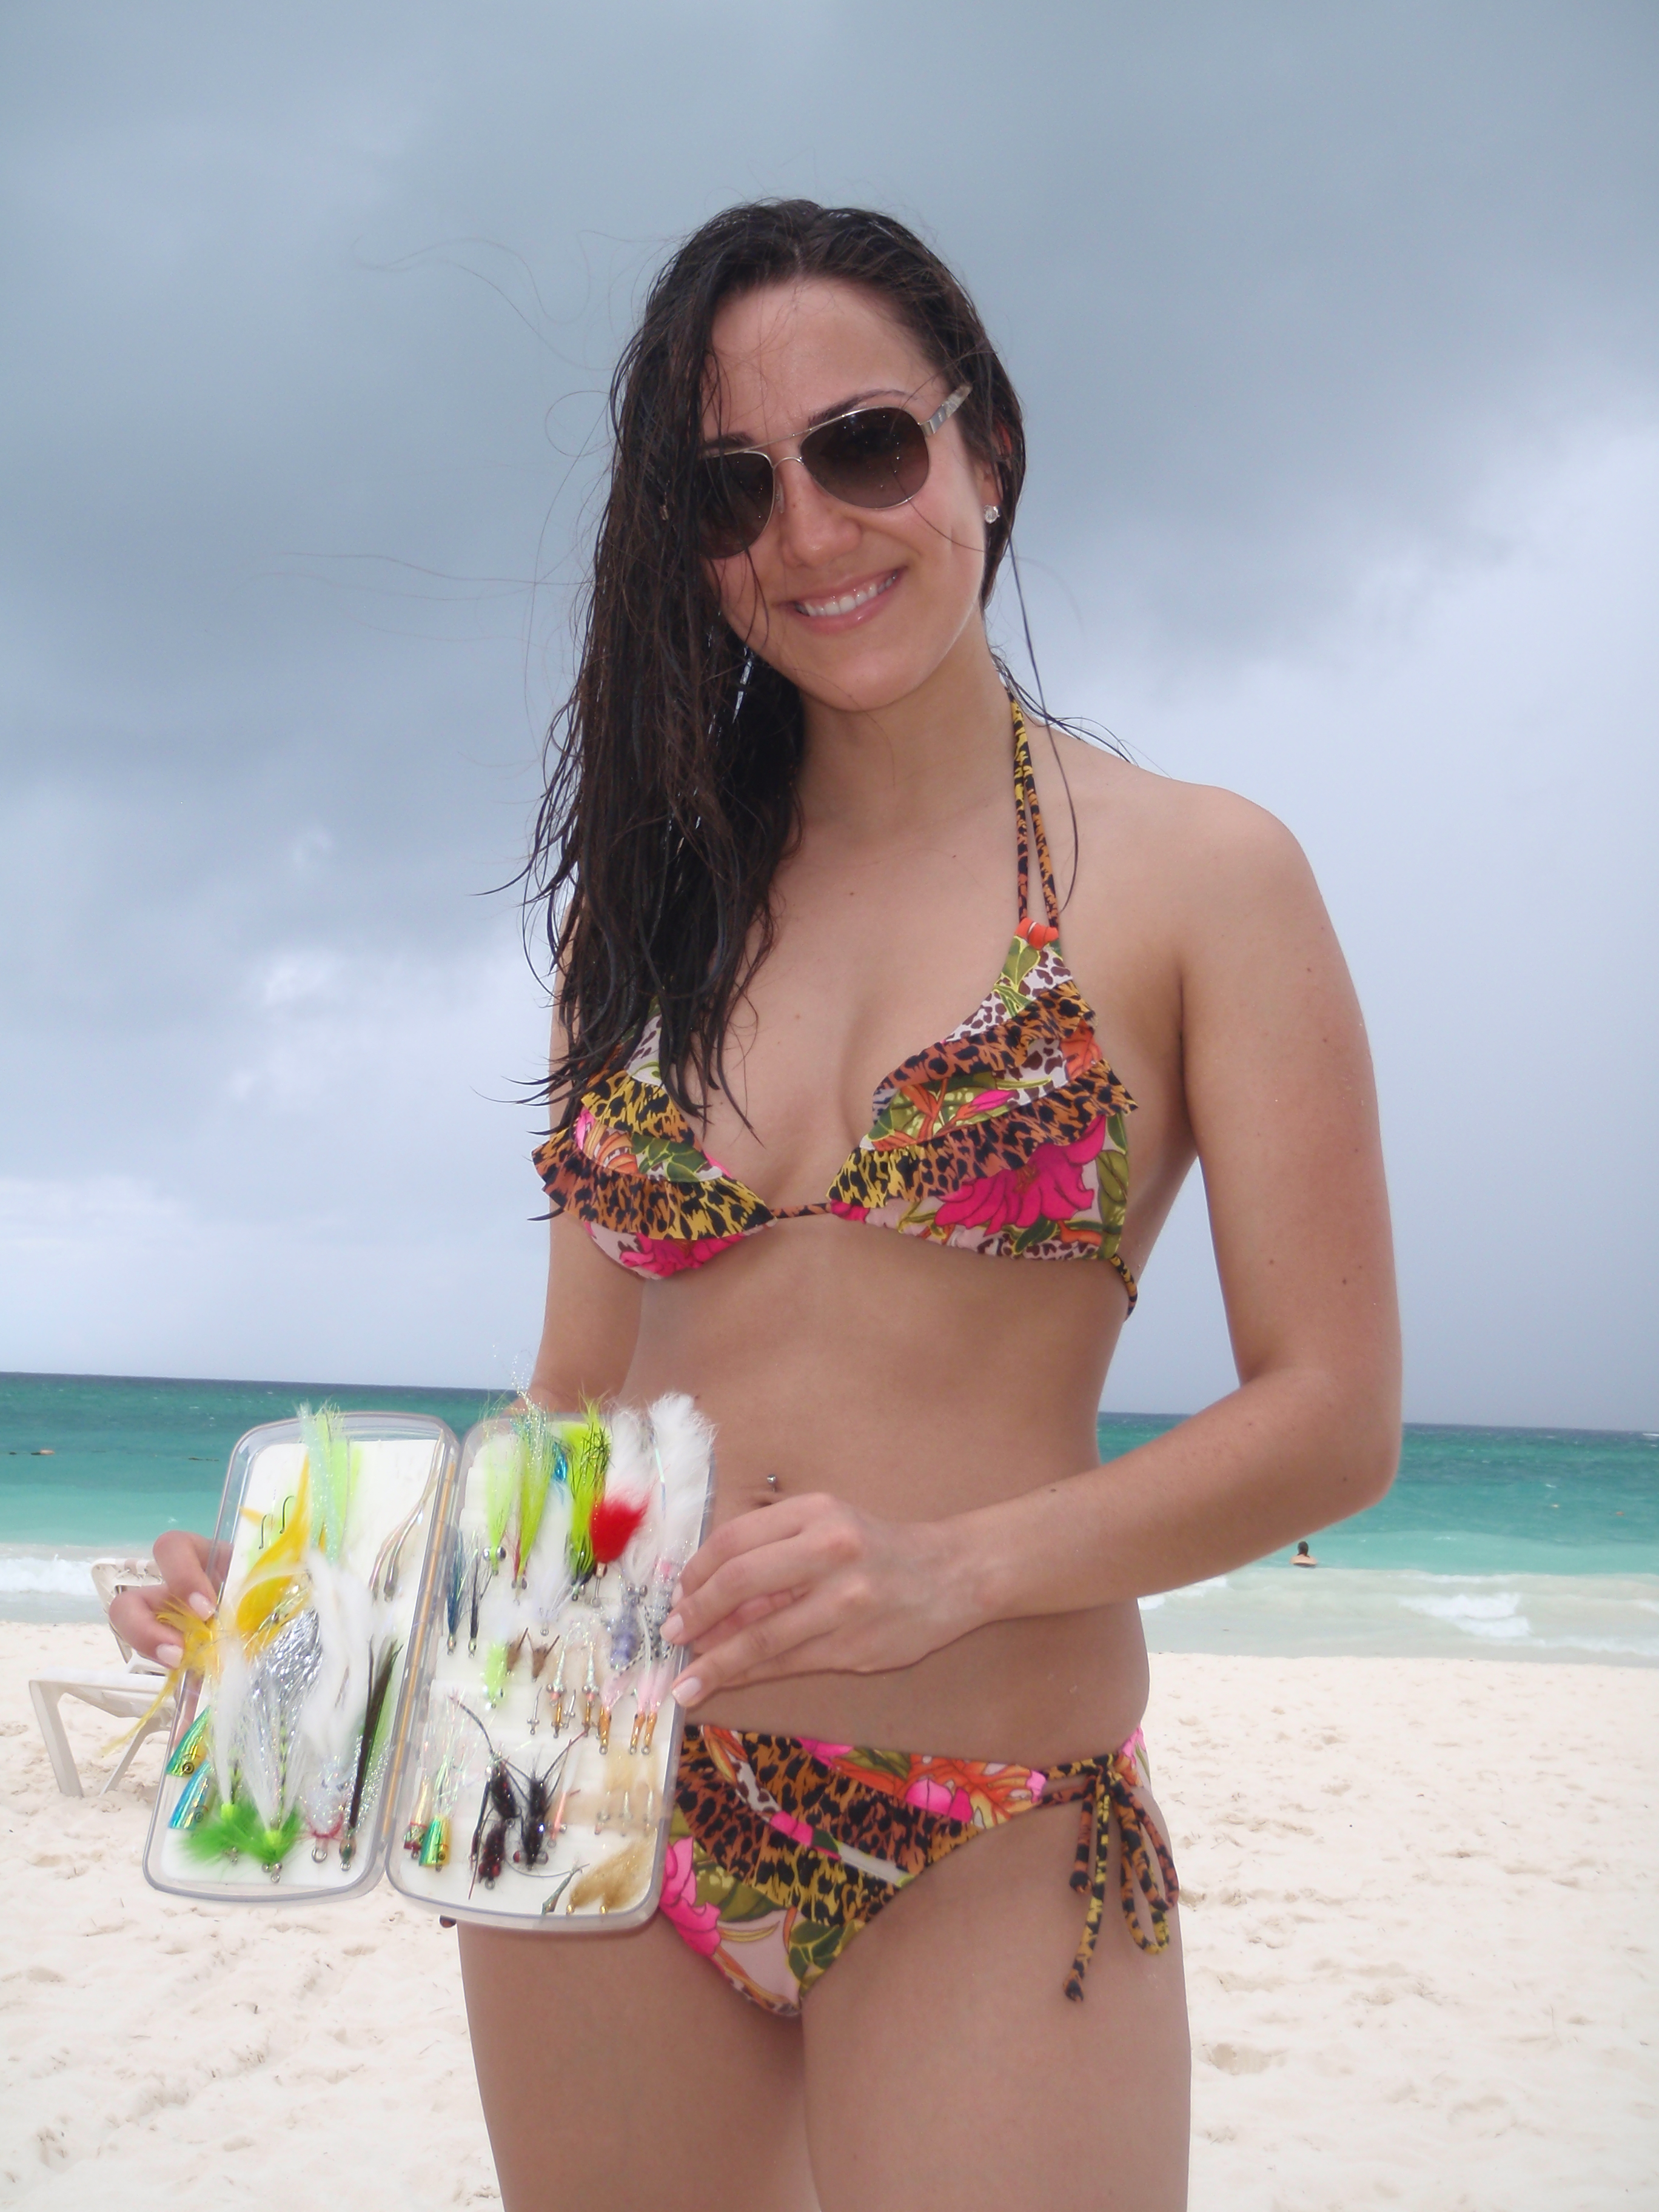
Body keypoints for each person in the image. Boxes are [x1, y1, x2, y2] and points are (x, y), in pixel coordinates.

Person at [115, 201, 1401, 2212]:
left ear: (985, 449)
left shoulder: (1199, 879)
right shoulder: (643, 919)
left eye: (863, 447)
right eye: (731, 489)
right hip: (579, 1781)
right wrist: (315, 1616)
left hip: (989, 1810)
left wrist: (953, 1569)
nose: (808, 532)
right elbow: (577, 1405)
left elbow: (1332, 1414)